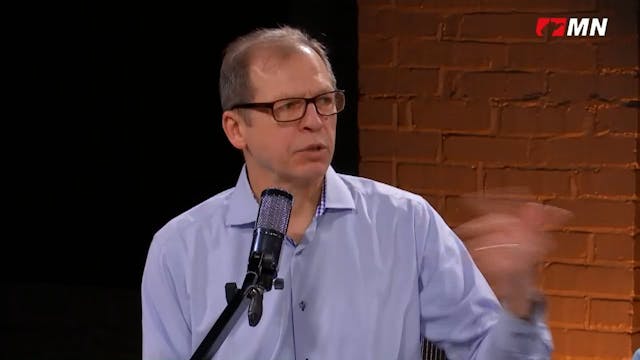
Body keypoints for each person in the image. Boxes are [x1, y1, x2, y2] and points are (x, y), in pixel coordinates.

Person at [141, 25, 570, 359]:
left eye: (324, 101)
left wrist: (517, 296)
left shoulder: (406, 223)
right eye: (288, 107)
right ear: (236, 128)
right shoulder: (179, 248)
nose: (314, 121)